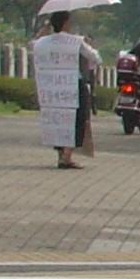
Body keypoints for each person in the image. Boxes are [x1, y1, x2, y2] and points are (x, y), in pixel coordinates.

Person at [31, 10, 100, 169]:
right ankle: (67, 156)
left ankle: (61, 155)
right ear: (66, 23)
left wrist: (44, 31)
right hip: (73, 85)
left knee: (58, 120)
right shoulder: (75, 41)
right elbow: (95, 57)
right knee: (78, 118)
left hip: (52, 88)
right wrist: (87, 44)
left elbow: (32, 45)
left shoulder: (42, 42)